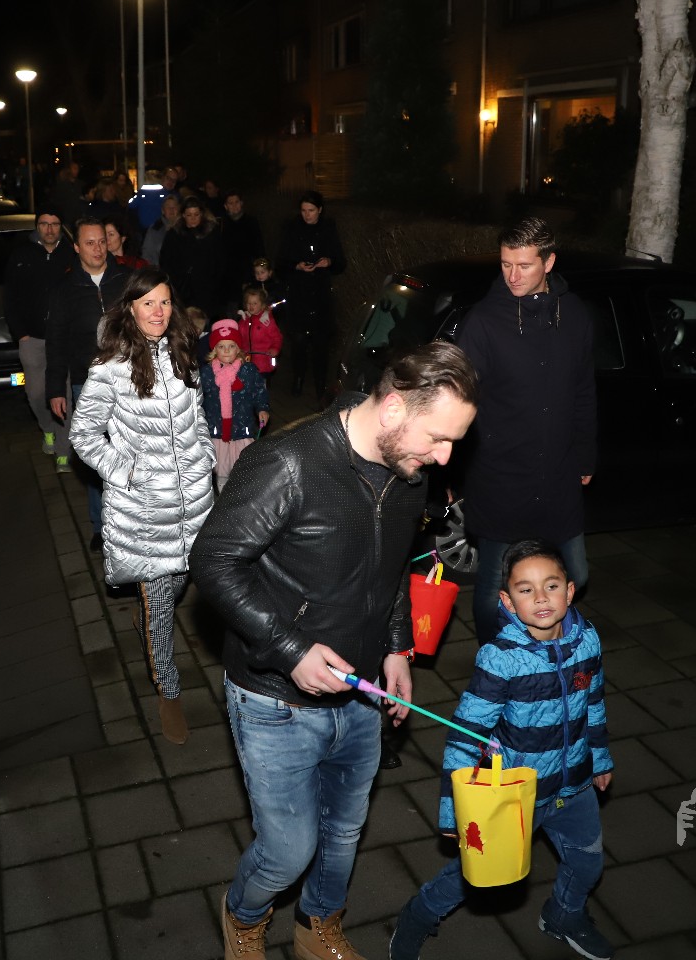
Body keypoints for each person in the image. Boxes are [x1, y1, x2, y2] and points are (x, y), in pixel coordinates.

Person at [193, 341, 479, 960]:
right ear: (394, 408)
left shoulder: (409, 471)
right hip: (275, 700)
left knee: (344, 833)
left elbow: (393, 569)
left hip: (363, 693)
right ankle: (244, 915)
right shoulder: (288, 462)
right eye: (439, 438)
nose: (445, 456)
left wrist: (397, 647)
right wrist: (290, 648)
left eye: (454, 442)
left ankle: (316, 924)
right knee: (288, 849)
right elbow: (213, 560)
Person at [390, 539, 614, 960]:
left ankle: (563, 915)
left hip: (575, 785)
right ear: (508, 602)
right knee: (474, 874)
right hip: (516, 793)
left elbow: (594, 704)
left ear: (569, 591)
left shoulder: (588, 641)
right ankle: (419, 915)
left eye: (551, 585)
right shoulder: (500, 659)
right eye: (526, 589)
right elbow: (465, 735)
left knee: (587, 863)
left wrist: (599, 758)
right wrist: (454, 812)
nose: (541, 597)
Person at [68, 269, 215, 745]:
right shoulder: (110, 367)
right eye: (148, 302)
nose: (158, 311)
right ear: (130, 308)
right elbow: (83, 436)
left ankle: (148, 613)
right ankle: (168, 692)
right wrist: (127, 472)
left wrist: (204, 454)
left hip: (193, 503)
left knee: (183, 579)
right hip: (145, 513)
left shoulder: (183, 352)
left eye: (165, 302)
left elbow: (197, 414)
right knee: (160, 608)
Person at [454, 217, 597, 647]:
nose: (512, 276)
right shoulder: (483, 322)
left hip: (558, 473)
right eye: (505, 264)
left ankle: (548, 649)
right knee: (492, 590)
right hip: (501, 476)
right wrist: (453, 469)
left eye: (524, 265)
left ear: (548, 262)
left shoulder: (574, 314)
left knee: (575, 573)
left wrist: (586, 454)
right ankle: (497, 661)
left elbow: (584, 390)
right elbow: (458, 401)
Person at [46, 219, 133, 546]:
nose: (98, 248)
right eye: (90, 243)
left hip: (129, 378)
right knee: (98, 456)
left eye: (102, 241)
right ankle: (101, 524)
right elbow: (56, 341)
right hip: (87, 384)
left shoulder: (126, 279)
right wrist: (56, 388)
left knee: (130, 450)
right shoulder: (65, 289)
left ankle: (133, 517)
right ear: (77, 247)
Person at [3, 209, 77, 459]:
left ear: (61, 227)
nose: (49, 229)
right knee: (35, 394)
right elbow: (10, 297)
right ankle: (47, 429)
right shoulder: (21, 255)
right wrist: (20, 333)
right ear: (37, 227)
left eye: (54, 224)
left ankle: (63, 450)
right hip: (32, 338)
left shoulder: (71, 254)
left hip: (63, 340)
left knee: (64, 394)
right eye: (44, 224)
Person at [275, 190, 346, 399]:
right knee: (298, 340)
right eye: (304, 210)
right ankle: (298, 378)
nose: (307, 215)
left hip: (320, 293)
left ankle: (320, 382)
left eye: (311, 210)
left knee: (320, 342)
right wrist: (296, 266)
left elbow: (340, 262)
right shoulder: (292, 229)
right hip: (299, 292)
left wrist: (329, 262)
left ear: (320, 210)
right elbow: (281, 263)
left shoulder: (328, 229)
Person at [199, 319, 270, 490]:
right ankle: (223, 490)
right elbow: (199, 396)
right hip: (217, 428)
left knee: (242, 466)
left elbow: (259, 391)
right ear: (214, 349)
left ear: (238, 348)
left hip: (242, 427)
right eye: (221, 346)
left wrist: (262, 408)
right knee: (221, 467)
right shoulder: (207, 372)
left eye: (231, 346)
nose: (226, 350)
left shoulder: (248, 371)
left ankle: (241, 492)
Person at [161, 195, 226, 314]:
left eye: (196, 214)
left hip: (207, 289)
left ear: (201, 214)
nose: (193, 218)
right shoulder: (174, 234)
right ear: (183, 215)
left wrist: (214, 283)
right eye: (189, 215)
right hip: (181, 288)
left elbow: (219, 261)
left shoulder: (211, 233)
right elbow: (166, 261)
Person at [221, 191, 266, 291]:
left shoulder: (251, 222)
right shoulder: (221, 225)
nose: (234, 206)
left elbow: (259, 247)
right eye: (230, 203)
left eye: (236, 202)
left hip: (248, 272)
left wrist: (263, 268)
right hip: (228, 275)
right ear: (226, 206)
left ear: (241, 203)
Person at [236, 285, 282, 380]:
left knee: (260, 385)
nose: (251, 306)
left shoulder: (266, 321)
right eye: (249, 303)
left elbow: (277, 337)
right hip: (246, 360)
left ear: (262, 304)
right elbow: (237, 337)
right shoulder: (243, 320)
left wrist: (275, 348)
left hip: (263, 362)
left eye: (255, 303)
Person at [141, 193, 181, 265]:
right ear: (163, 210)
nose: (171, 210)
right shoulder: (155, 229)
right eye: (168, 207)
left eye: (174, 207)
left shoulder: (184, 228)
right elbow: (147, 254)